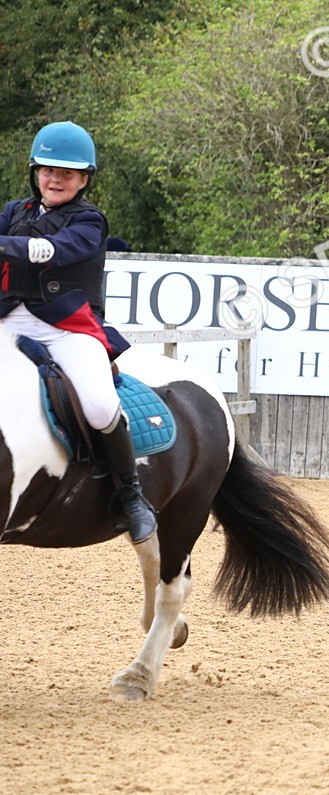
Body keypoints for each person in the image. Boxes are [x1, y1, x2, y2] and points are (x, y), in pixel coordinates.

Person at [0, 121, 157, 544]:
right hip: (9, 318)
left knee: (101, 404)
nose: (54, 179)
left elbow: (49, 252)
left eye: (66, 173)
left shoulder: (89, 221)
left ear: (84, 179)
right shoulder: (16, 212)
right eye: (48, 170)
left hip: (68, 327)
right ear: (35, 172)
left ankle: (132, 496)